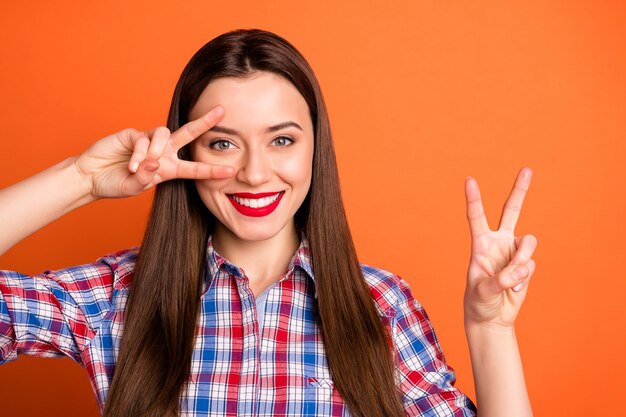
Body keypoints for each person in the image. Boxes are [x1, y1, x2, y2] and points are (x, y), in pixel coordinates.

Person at [0, 29, 537, 417]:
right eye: (223, 143)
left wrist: (492, 329)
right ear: (186, 150)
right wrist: (81, 178)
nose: (255, 174)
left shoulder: (383, 307)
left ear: (314, 150)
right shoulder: (117, 297)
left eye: (282, 140)